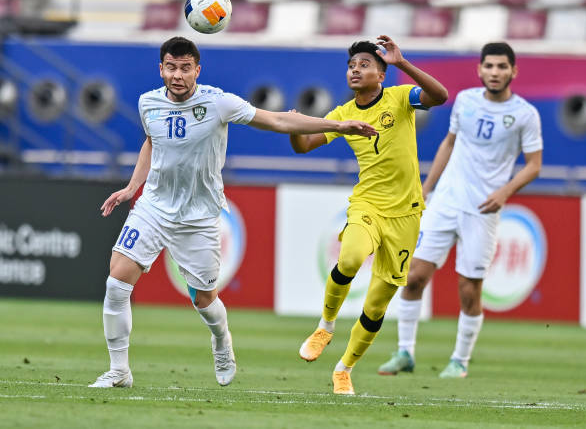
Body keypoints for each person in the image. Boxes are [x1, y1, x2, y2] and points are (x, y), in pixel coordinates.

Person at [89, 36, 376, 389]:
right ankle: (119, 371)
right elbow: (152, 141)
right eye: (171, 67)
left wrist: (337, 125)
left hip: (200, 216)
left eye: (184, 68)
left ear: (197, 70)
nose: (177, 75)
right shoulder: (148, 103)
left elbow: (278, 121)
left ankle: (221, 339)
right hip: (154, 207)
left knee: (204, 299)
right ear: (161, 69)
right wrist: (133, 188)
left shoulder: (218, 103)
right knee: (117, 283)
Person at [290, 35, 448, 395]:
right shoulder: (342, 114)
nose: (355, 70)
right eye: (351, 66)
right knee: (350, 258)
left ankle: (344, 369)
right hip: (368, 205)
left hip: (407, 215)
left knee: (377, 304)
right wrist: (297, 129)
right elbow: (305, 146)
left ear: (381, 74)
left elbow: (439, 96)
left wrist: (403, 63)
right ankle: (325, 326)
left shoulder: (399, 97)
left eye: (364, 65)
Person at [378, 42, 542, 379]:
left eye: (502, 67)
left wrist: (505, 191)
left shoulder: (525, 114)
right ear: (480, 70)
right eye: (490, 66)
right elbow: (449, 144)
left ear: (513, 71)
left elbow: (533, 165)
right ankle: (404, 353)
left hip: (482, 208)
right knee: (413, 278)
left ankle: (459, 361)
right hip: (446, 201)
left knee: (469, 289)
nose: (495, 72)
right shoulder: (465, 101)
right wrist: (426, 188)